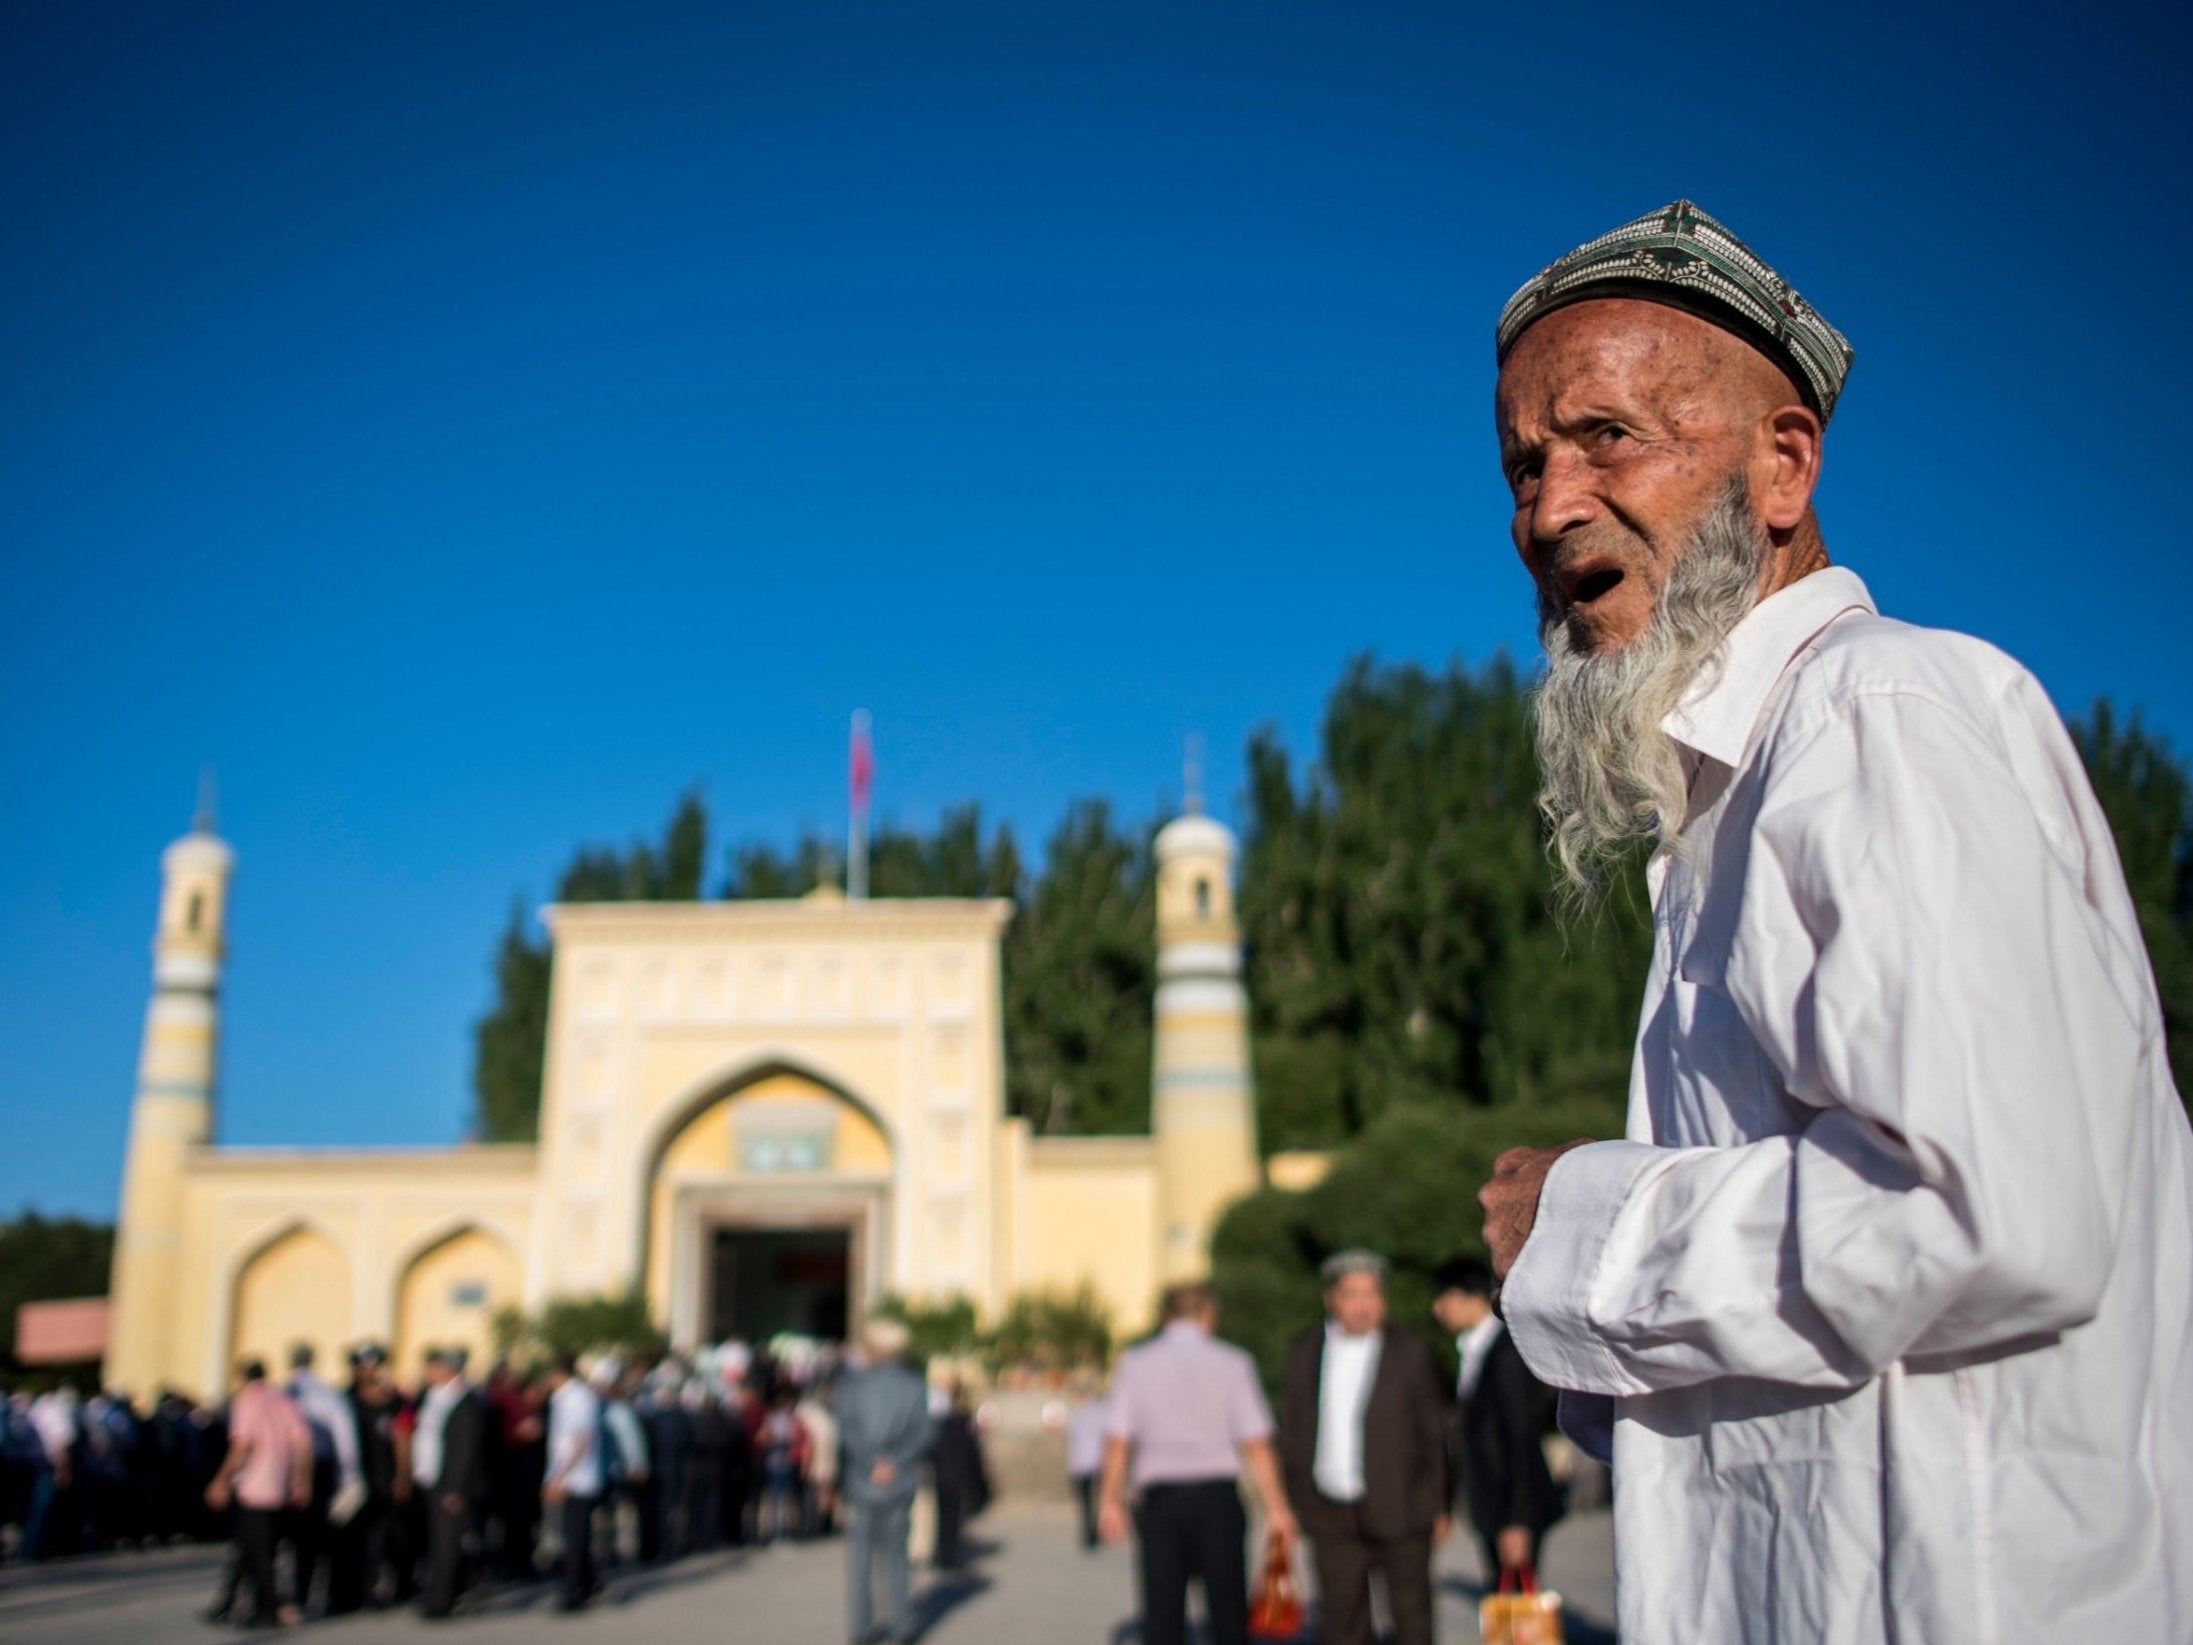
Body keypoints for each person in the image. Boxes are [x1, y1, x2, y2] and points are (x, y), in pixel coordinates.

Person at [1475, 199, 2193, 1642]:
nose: (1549, 510)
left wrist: (1583, 1222)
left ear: (1781, 462)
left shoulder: (1882, 717)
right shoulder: (1729, 815)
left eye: (1606, 436)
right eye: (1524, 464)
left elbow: (1981, 1210)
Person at [1099, 1282, 1297, 1645]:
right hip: (1217, 1500)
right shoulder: (1234, 1362)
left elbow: (1118, 1441)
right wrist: (1277, 1508)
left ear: (1165, 1317)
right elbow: (1256, 1443)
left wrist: (1109, 1501)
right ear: (1209, 1316)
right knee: (1227, 1612)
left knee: (1162, 1614)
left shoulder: (1136, 1362)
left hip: (1161, 1503)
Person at [1277, 1251, 1448, 1645]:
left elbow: (1432, 1434)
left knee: (1412, 1620)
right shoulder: (1304, 1350)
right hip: (1329, 1509)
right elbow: (1293, 1427)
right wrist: (1291, 1501)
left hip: (1401, 1508)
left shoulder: (1411, 1351)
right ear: (1331, 1299)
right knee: (1341, 1623)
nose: (1363, 1305)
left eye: (1372, 1294)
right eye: (1352, 1294)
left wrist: (1438, 1504)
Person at [1429, 1256, 1560, 1587]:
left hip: (1511, 1508)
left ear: (1470, 1298)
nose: (1437, 1309)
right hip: (1494, 1506)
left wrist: (1517, 1521)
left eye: (1443, 1298)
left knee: (1516, 1610)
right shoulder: (1477, 1348)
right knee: (1506, 1601)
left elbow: (1521, 1435)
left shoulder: (1506, 1353)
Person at [837, 1317, 933, 1645]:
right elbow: (924, 1432)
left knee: (860, 1556)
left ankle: (862, 1628)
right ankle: (901, 1624)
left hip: (863, 1481)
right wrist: (895, 1461)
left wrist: (871, 1461)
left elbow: (847, 1431)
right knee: (897, 1556)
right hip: (900, 1480)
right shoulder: (915, 1384)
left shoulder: (852, 1385)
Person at [204, 1359, 311, 1629]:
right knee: (249, 1547)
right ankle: (226, 1603)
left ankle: (268, 1608)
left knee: (261, 1553)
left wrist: (222, 1480)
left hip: (254, 1486)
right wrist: (301, 1480)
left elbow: (243, 1444)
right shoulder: (284, 1401)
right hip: (280, 1486)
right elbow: (302, 1441)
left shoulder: (247, 1401)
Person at [411, 1348, 487, 1619]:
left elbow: (464, 1449)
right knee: (438, 1542)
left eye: (431, 1368)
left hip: (449, 1484)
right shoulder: (434, 1396)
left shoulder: (464, 1401)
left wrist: (455, 1488)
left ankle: (441, 1602)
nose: (426, 1373)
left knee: (447, 1544)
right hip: (430, 1478)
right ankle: (449, 1591)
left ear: (445, 1369)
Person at [541, 1354, 603, 1613]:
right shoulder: (566, 1396)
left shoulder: (576, 1397)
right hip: (573, 1474)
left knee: (574, 1538)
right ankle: (589, 1584)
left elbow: (578, 1439)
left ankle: (573, 1593)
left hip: (576, 1478)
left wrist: (559, 1477)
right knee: (579, 1535)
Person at [927, 1383, 989, 1572]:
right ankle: (949, 1554)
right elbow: (972, 1454)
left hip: (941, 1476)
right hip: (956, 1477)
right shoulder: (963, 1426)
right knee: (952, 1519)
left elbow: (931, 1451)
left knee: (941, 1517)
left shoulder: (940, 1426)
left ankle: (942, 1553)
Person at [1063, 1386, 1108, 1552]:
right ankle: (1092, 1532)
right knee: (1094, 1501)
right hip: (1094, 1463)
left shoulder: (1077, 1415)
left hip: (1082, 1464)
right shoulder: (1099, 1413)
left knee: (1086, 1503)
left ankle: (1088, 1533)